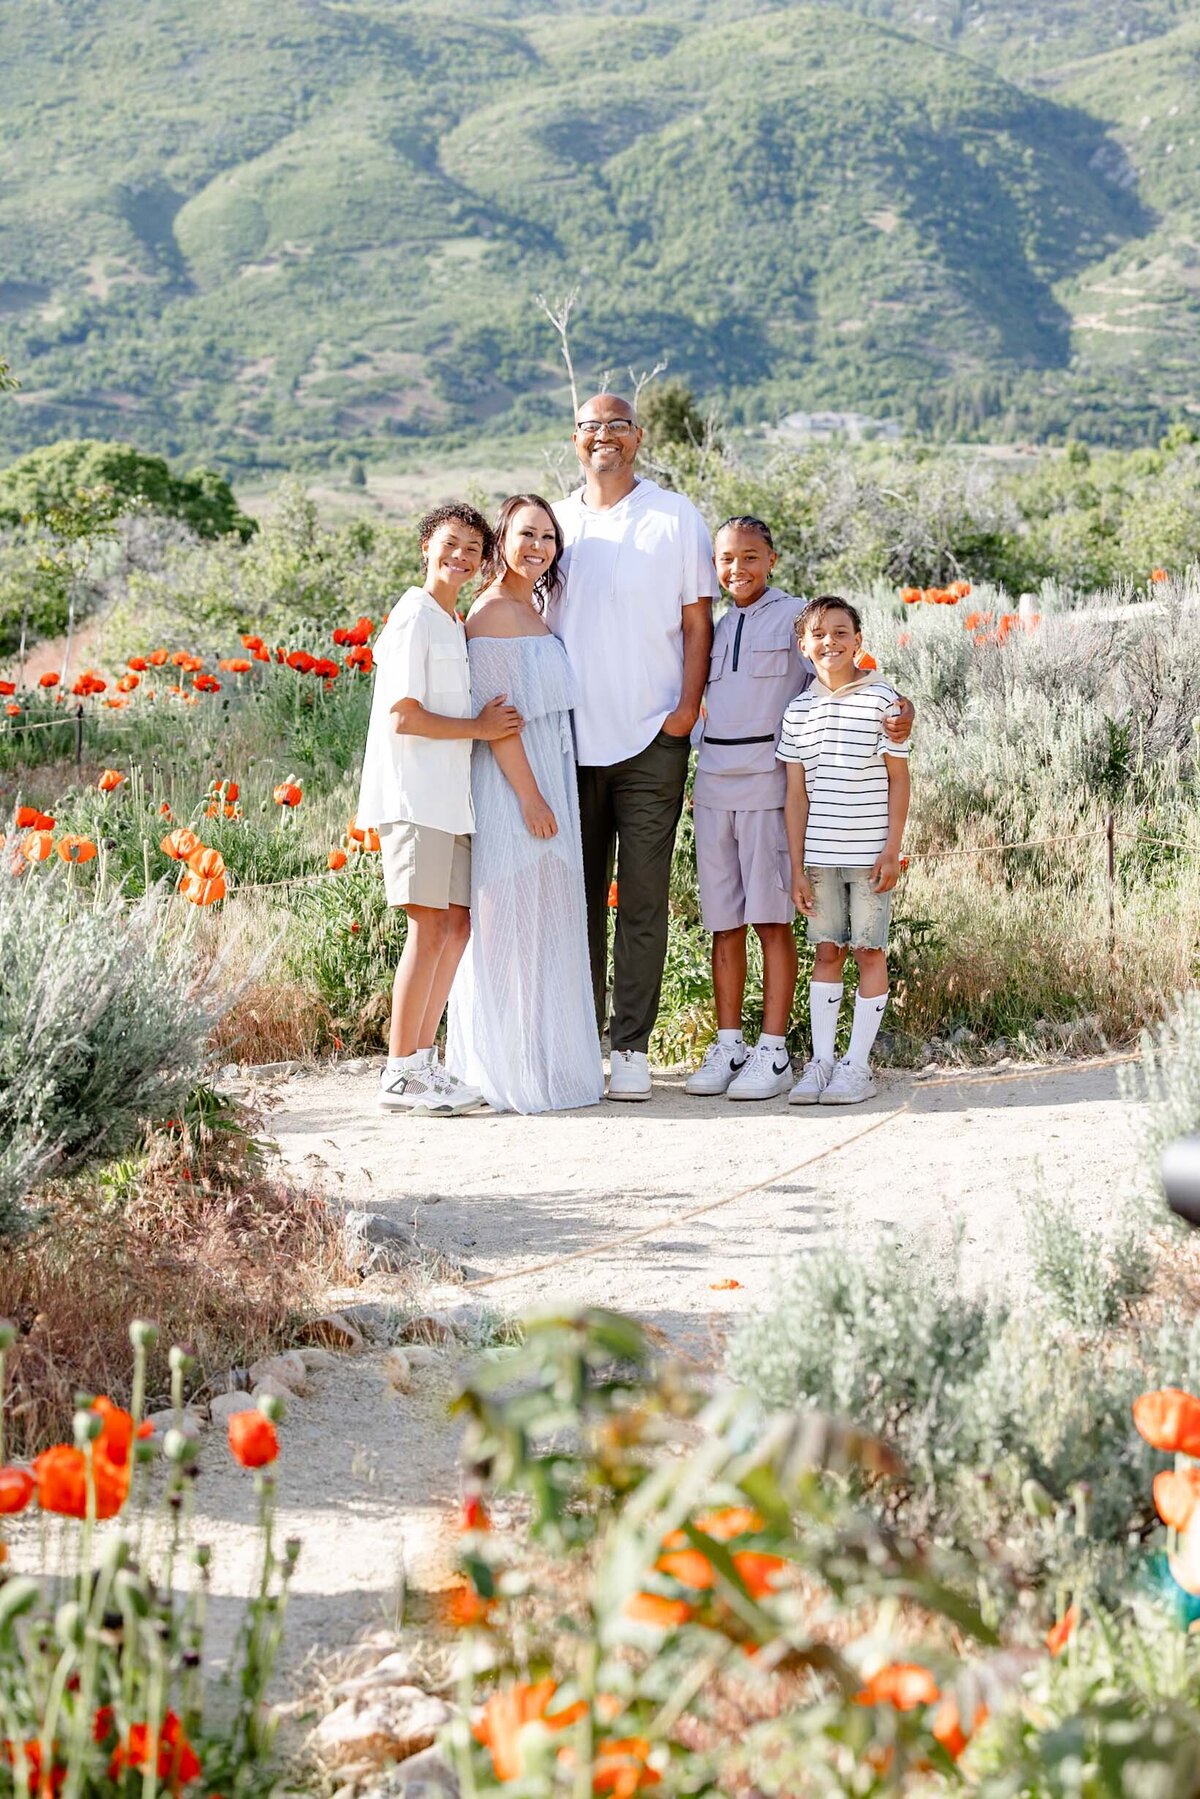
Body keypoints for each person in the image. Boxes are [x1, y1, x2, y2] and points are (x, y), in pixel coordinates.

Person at [686, 519, 914, 1100]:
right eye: (726, 559)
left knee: (772, 918)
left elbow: (840, 666)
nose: (738, 569)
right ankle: (730, 1042)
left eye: (751, 557)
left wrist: (901, 708)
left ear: (773, 559)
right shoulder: (713, 624)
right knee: (723, 919)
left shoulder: (794, 620)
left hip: (770, 787)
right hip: (713, 785)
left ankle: (775, 1049)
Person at [548, 392, 717, 1101]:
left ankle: (633, 1047)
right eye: (591, 427)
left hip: (652, 739)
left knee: (643, 900)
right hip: (567, 740)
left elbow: (698, 622)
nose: (604, 437)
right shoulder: (554, 521)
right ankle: (581, 1044)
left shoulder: (675, 516)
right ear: (576, 439)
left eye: (617, 426)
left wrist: (683, 712)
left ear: (637, 437)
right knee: (575, 901)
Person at [356, 503, 523, 1115]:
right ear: (427, 546)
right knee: (428, 928)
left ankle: (424, 1065)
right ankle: (400, 1071)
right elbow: (403, 716)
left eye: (474, 548)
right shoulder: (413, 617)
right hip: (415, 797)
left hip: (452, 803)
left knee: (456, 927)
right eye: (451, 543)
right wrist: (480, 727)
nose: (461, 555)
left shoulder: (451, 622)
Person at [446, 496, 604, 1113]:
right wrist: (532, 798)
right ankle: (508, 1069)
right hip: (516, 788)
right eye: (524, 534)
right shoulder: (492, 614)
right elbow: (500, 720)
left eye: (547, 536)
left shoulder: (530, 610)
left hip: (548, 778)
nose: (537, 545)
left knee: (541, 923)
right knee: (510, 925)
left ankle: (542, 1059)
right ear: (499, 542)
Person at [778, 595, 911, 1106]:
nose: (829, 642)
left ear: (858, 641)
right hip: (819, 856)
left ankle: (858, 1066)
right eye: (818, 634)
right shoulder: (799, 711)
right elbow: (796, 794)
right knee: (827, 950)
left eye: (840, 632)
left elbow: (899, 780)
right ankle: (821, 1062)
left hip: (869, 853)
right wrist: (796, 866)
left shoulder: (883, 703)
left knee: (869, 950)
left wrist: (892, 849)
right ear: (803, 645)